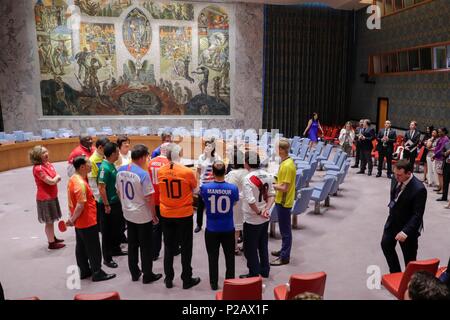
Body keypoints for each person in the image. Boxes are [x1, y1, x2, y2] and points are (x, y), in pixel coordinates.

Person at [116, 145, 162, 284]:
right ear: (142, 157)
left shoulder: (120, 170)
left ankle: (134, 273)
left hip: (128, 213)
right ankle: (147, 275)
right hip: (142, 215)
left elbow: (118, 191)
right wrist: (153, 215)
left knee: (132, 244)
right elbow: (149, 197)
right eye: (147, 157)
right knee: (146, 246)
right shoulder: (143, 174)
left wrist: (125, 205)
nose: (148, 159)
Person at [66, 156, 116, 282]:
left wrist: (72, 218)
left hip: (79, 222)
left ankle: (84, 270)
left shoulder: (73, 179)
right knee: (94, 248)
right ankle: (97, 272)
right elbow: (80, 204)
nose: (91, 165)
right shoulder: (80, 184)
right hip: (87, 221)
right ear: (82, 167)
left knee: (81, 247)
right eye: (88, 163)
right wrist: (72, 219)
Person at [158, 143, 201, 289]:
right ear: (179, 155)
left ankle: (168, 278)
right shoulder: (187, 172)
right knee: (186, 247)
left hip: (166, 213)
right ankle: (186, 279)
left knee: (169, 247)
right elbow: (196, 190)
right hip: (183, 214)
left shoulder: (161, 170)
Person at [381, 159, 427, 273]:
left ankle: (409, 282)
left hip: (408, 228)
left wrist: (405, 231)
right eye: (395, 174)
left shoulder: (419, 189)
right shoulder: (395, 178)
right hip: (392, 222)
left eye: (399, 175)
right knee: (386, 245)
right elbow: (394, 198)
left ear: (409, 173)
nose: (396, 177)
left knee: (409, 259)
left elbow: (417, 215)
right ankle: (395, 274)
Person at [200, 160, 239, 290]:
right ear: (225, 172)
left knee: (213, 257)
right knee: (230, 258)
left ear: (212, 173)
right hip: (228, 228)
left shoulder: (204, 188)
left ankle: (213, 283)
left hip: (211, 228)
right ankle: (230, 282)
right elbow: (234, 203)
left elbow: (205, 202)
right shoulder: (233, 188)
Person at [240, 151, 275, 278]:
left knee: (250, 248)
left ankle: (254, 273)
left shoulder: (247, 179)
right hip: (264, 217)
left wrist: (259, 212)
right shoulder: (268, 175)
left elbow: (250, 201)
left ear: (247, 164)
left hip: (252, 219)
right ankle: (265, 270)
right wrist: (266, 209)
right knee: (263, 245)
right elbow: (271, 195)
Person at [29, 145, 65, 250]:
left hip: (52, 196)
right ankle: (51, 243)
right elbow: (51, 181)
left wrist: (55, 178)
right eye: (43, 153)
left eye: (46, 152)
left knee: (51, 220)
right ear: (37, 156)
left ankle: (52, 237)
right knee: (49, 222)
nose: (46, 154)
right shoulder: (38, 168)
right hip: (45, 198)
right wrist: (57, 178)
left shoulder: (48, 164)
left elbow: (54, 176)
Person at [97, 142, 124, 269]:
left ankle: (116, 248)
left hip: (115, 202)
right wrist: (106, 205)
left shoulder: (111, 165)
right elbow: (101, 188)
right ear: (113, 153)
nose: (119, 154)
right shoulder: (104, 168)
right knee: (107, 232)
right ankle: (107, 258)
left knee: (117, 228)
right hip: (108, 205)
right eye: (117, 152)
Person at [271, 138, 296, 266]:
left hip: (284, 202)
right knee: (283, 230)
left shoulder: (287, 165)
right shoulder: (286, 161)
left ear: (281, 149)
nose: (275, 150)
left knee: (285, 231)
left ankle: (284, 257)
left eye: (277, 148)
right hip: (282, 200)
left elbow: (285, 187)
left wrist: (272, 185)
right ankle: (283, 251)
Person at [148, 142, 170, 260]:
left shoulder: (150, 162)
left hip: (153, 198)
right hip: (165, 199)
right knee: (168, 226)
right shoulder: (169, 163)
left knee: (156, 226)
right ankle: (172, 250)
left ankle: (154, 253)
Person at [225, 148, 248, 255]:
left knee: (236, 226)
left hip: (237, 202)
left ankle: (234, 247)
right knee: (245, 225)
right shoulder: (247, 171)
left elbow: (230, 189)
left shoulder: (233, 174)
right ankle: (245, 245)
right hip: (247, 201)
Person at [195, 138, 220, 233]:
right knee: (200, 206)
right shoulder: (201, 157)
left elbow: (220, 171)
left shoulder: (217, 157)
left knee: (213, 206)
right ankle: (199, 224)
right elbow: (198, 171)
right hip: (203, 185)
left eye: (209, 145)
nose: (207, 147)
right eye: (206, 145)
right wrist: (197, 184)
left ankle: (213, 224)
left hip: (213, 185)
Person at [89, 137, 110, 232]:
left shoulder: (104, 157)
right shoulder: (92, 160)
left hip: (107, 191)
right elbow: (92, 182)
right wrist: (99, 198)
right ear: (100, 148)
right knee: (103, 222)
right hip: (100, 196)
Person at [433, 128, 449, 198]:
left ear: (444, 132)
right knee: (438, 173)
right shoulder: (441, 138)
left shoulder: (445, 139)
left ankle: (442, 189)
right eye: (438, 132)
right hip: (438, 157)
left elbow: (441, 149)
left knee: (440, 174)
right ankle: (440, 186)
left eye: (440, 132)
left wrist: (435, 154)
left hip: (441, 158)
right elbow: (437, 147)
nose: (439, 133)